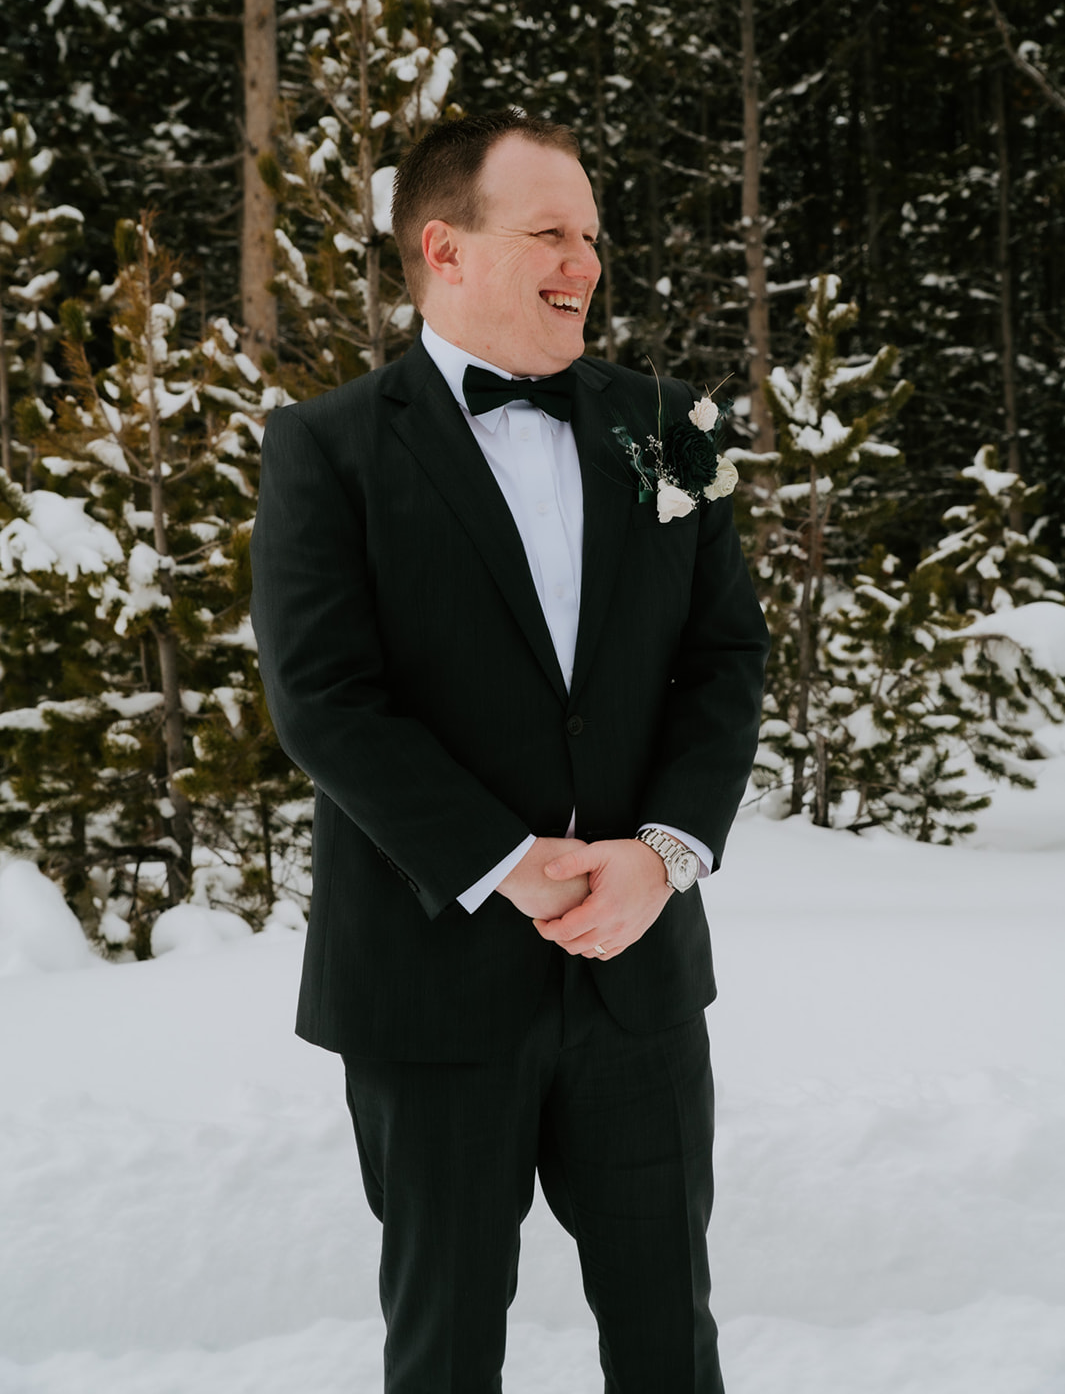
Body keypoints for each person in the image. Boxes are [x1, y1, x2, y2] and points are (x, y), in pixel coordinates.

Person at [250, 108, 769, 1394]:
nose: (585, 261)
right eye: (549, 232)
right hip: (429, 987)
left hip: (637, 978)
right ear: (445, 249)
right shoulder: (325, 450)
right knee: (444, 1347)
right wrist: (502, 858)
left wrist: (663, 853)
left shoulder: (671, 423)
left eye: (591, 235)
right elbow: (325, 697)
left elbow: (726, 659)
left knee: (670, 1339)